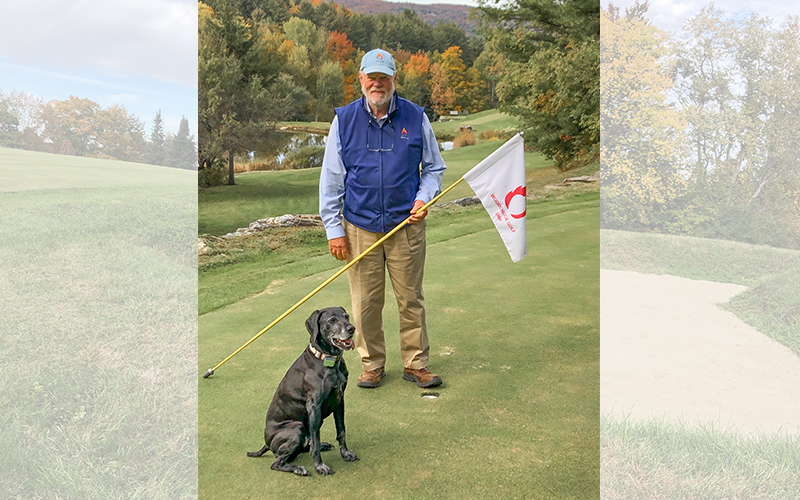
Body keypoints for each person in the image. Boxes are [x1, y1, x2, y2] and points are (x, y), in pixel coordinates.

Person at [319, 48, 447, 389]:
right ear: (361, 79)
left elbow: (434, 168)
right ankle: (372, 363)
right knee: (364, 304)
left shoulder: (416, 117)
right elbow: (332, 180)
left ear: (394, 79)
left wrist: (423, 197)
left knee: (411, 299)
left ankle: (415, 363)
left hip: (406, 225)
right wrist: (334, 228)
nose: (378, 84)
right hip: (359, 226)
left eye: (384, 78)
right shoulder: (344, 120)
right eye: (371, 77)